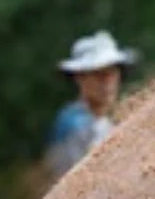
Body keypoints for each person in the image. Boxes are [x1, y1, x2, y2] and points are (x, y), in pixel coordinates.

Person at [45, 31, 137, 179]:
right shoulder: (73, 124)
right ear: (80, 78)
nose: (107, 83)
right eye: (99, 75)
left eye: (112, 73)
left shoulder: (107, 123)